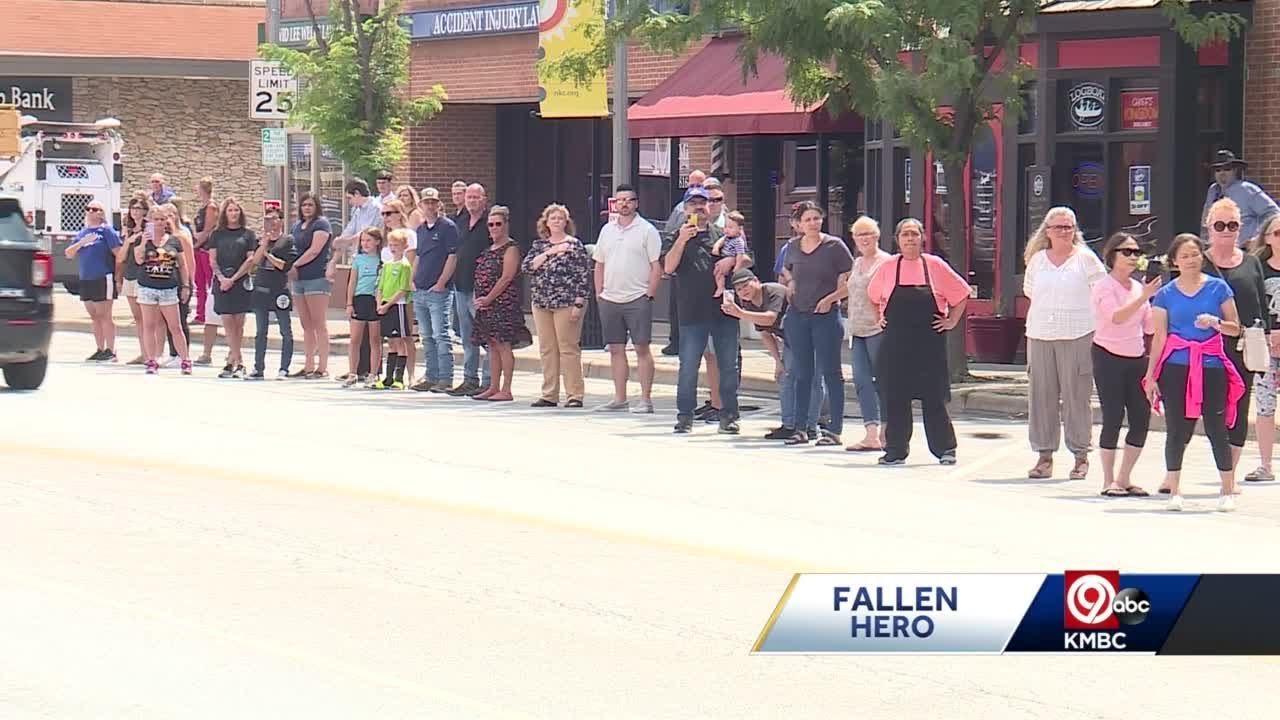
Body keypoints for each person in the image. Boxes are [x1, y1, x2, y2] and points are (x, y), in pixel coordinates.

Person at [1145, 233, 1245, 512]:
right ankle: (1174, 491)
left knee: (1216, 426)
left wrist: (1216, 322)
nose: (1190, 260)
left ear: (1203, 257)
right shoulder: (1164, 294)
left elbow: (1235, 327)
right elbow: (1160, 337)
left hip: (1211, 365)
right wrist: (1151, 375)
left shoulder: (1218, 288)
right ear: (1174, 262)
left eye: (1195, 254)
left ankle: (1227, 490)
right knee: (1177, 428)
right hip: (1176, 367)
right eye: (1184, 256)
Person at [867, 218, 970, 465]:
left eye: (915, 234)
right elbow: (872, 296)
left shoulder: (935, 265)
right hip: (896, 345)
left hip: (929, 345)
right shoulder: (888, 267)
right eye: (905, 235)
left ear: (923, 237)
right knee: (895, 397)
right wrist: (878, 318)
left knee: (934, 397)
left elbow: (962, 294)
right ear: (898, 239)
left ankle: (945, 449)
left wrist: (952, 321)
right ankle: (895, 451)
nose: (910, 239)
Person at [1022, 207, 1106, 480]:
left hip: (1078, 335)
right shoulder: (1037, 260)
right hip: (1041, 334)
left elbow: (1102, 293)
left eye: (1068, 227)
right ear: (1047, 231)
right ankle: (1044, 455)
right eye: (1058, 227)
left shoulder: (1085, 259)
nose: (1063, 232)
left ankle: (1080, 455)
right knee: (1042, 396)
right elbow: (1030, 290)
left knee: (1076, 397)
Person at [662, 186, 741, 435]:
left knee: (728, 366)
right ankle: (685, 416)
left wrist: (733, 260)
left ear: (710, 207)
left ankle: (728, 416)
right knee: (688, 366)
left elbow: (747, 259)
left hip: (724, 311)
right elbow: (667, 267)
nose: (699, 207)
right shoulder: (675, 235)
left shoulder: (724, 234)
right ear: (685, 209)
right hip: (691, 311)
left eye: (703, 203)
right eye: (693, 203)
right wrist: (682, 240)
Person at [1203, 197, 1270, 486]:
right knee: (1209, 408)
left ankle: (1227, 474)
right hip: (1205, 346)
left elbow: (1260, 309)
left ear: (1241, 228)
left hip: (1243, 347)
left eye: (1232, 225)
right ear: (1209, 227)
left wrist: (1266, 338)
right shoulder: (1197, 261)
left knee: (1240, 408)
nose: (1227, 230)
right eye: (1220, 225)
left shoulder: (1252, 262)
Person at [1090, 232, 1159, 497]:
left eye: (1136, 253)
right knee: (1113, 417)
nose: (1132, 257)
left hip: (1136, 358)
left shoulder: (1140, 288)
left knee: (1141, 417)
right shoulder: (1104, 286)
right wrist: (1144, 298)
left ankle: (1124, 477)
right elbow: (1115, 317)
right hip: (1107, 356)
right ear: (1112, 255)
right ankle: (1108, 480)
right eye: (1126, 252)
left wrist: (1159, 305)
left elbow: (1149, 325)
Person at [781, 201, 852, 447]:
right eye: (808, 219)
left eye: (816, 218)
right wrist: (789, 282)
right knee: (802, 373)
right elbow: (786, 269)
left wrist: (831, 299)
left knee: (832, 373)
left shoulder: (835, 246)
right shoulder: (792, 246)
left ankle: (833, 430)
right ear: (798, 224)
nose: (813, 223)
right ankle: (801, 428)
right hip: (798, 315)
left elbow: (848, 281)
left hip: (826, 317)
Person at [593, 184, 662, 413]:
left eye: (629, 200)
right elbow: (599, 263)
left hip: (637, 297)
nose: (624, 204)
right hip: (610, 298)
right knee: (615, 349)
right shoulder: (607, 230)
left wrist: (649, 293)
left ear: (636, 203)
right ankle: (620, 398)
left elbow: (656, 266)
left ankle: (645, 399)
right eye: (620, 200)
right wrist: (599, 293)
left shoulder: (647, 230)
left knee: (642, 348)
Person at [721, 269, 805, 439]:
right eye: (739, 289)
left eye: (746, 285)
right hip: (788, 339)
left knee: (811, 380)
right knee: (786, 378)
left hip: (806, 334)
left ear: (756, 281)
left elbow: (770, 318)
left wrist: (740, 314)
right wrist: (777, 362)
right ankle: (789, 425)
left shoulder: (773, 291)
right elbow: (765, 333)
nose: (744, 291)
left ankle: (817, 421)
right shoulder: (748, 304)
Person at [523, 204, 590, 408]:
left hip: (566, 302)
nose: (557, 222)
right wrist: (551, 252)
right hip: (542, 302)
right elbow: (527, 267)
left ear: (566, 222)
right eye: (553, 218)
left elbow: (583, 275)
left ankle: (574, 394)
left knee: (567, 347)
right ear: (546, 223)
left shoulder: (574, 245)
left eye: (560, 218)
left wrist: (579, 303)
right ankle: (549, 393)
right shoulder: (539, 246)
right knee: (547, 348)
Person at [845, 215, 892, 452]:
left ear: (877, 235)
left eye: (868, 234)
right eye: (859, 234)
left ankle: (887, 430)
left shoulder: (886, 262)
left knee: (882, 381)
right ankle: (870, 433)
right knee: (861, 381)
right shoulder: (857, 263)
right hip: (857, 329)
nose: (864, 239)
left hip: (878, 330)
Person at [409, 187, 459, 393]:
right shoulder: (420, 229)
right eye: (426, 202)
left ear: (439, 204)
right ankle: (431, 376)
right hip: (420, 289)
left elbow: (452, 256)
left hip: (439, 290)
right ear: (420, 205)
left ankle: (445, 378)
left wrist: (441, 282)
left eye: (433, 202)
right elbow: (419, 256)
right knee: (426, 335)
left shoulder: (447, 227)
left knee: (441, 334)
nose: (430, 206)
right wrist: (412, 279)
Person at [470, 206, 523, 402]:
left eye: (498, 224)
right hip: (485, 305)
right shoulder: (487, 249)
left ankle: (506, 389)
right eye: (490, 224)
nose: (493, 228)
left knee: (503, 344)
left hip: (503, 304)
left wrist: (489, 298)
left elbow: (506, 277)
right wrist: (480, 299)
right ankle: (493, 387)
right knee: (491, 345)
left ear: (506, 225)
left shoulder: (511, 248)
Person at [134, 205, 192, 374]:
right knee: (149, 325)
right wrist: (144, 242)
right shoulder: (143, 240)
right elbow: (138, 260)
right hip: (147, 287)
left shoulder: (174, 240)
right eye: (155, 219)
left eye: (162, 219)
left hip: (168, 287)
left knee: (175, 326)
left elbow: (182, 265)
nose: (159, 223)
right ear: (150, 221)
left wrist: (186, 285)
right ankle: (151, 360)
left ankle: (185, 359)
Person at [446, 183, 492, 396]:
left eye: (476, 197)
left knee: (488, 337)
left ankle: (489, 380)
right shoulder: (460, 222)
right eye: (469, 197)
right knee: (467, 337)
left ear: (484, 199)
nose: (472, 200)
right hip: (460, 286)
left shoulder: (491, 222)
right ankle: (469, 379)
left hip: (481, 289)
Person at [65, 199, 123, 361]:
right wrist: (82, 243)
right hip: (86, 277)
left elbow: (118, 254)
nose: (91, 212)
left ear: (102, 213)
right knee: (94, 315)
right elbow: (69, 253)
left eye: (95, 209)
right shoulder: (83, 233)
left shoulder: (107, 232)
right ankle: (100, 348)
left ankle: (111, 350)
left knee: (104, 314)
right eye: (89, 209)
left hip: (103, 276)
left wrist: (118, 276)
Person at [1246, 214, 1280, 482]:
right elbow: (1253, 304)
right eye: (1277, 233)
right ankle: (1266, 465)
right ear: (1267, 237)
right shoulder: (1257, 266)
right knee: (1265, 406)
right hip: (1266, 347)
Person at [208, 197, 258, 379]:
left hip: (240, 282)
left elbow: (251, 259)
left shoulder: (248, 234)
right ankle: (240, 361)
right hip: (222, 282)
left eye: (236, 210)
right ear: (225, 213)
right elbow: (212, 260)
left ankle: (231, 360)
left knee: (239, 323)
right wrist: (222, 278)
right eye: (230, 210)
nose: (233, 214)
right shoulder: (217, 234)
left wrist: (234, 278)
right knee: (227, 321)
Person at [246, 205, 296, 381]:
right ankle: (258, 367)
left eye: (273, 219)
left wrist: (269, 255)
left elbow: (284, 265)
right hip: (261, 289)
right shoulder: (261, 240)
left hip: (278, 290)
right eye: (267, 219)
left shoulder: (287, 240)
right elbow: (255, 261)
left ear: (280, 221)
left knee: (285, 331)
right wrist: (264, 245)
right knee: (261, 331)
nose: (270, 223)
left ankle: (284, 368)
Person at [290, 192, 334, 379]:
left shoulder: (321, 224)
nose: (307, 208)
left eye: (310, 205)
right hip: (299, 279)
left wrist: (295, 264)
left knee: (319, 323)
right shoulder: (297, 226)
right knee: (306, 324)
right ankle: (308, 364)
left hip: (316, 277)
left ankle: (322, 367)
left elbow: (315, 250)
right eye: (304, 205)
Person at [1202, 150, 1278, 247]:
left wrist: (1258, 237)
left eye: (1227, 169)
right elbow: (1206, 221)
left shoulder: (1247, 189)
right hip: (1218, 250)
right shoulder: (1213, 191)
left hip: (1243, 250)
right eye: (1218, 170)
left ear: (1235, 171)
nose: (1222, 174)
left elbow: (1274, 214)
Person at [379, 198, 419, 384]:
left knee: (406, 335)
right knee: (392, 337)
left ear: (399, 213)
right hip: (387, 292)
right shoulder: (387, 238)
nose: (386, 217)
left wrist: (406, 285)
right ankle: (391, 375)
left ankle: (410, 374)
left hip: (402, 294)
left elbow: (410, 263)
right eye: (383, 213)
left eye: (389, 213)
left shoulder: (408, 234)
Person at [374, 229, 414, 390]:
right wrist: (379, 304)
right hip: (384, 305)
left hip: (397, 306)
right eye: (390, 244)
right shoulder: (387, 265)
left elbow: (403, 289)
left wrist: (387, 305)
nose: (393, 248)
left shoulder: (405, 266)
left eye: (396, 245)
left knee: (399, 341)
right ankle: (388, 377)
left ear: (404, 246)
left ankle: (399, 377)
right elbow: (381, 287)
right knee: (390, 341)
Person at [344, 228, 384, 387]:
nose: (365, 244)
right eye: (363, 241)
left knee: (375, 339)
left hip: (374, 299)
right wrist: (349, 303)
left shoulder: (382, 260)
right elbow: (352, 282)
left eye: (369, 240)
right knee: (355, 339)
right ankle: (352, 372)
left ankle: (373, 374)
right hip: (360, 299)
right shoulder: (358, 259)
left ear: (377, 242)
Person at [117, 194, 150, 364]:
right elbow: (120, 257)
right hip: (129, 274)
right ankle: (143, 352)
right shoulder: (129, 231)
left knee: (147, 317)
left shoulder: (148, 230)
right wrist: (128, 241)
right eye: (133, 208)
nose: (136, 212)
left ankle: (151, 353)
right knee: (137, 317)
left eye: (139, 209)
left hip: (143, 275)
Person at [191, 177, 219, 354]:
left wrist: (195, 243)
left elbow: (209, 229)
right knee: (199, 284)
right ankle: (200, 314)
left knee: (209, 284)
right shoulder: (202, 206)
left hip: (206, 248)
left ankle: (211, 315)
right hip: (199, 247)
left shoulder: (211, 207)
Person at [711, 210, 748, 298]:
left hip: (731, 261)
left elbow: (740, 254)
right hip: (723, 258)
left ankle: (721, 287)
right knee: (718, 272)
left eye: (730, 227)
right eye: (725, 226)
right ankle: (720, 287)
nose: (727, 229)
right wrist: (716, 248)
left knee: (720, 273)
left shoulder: (738, 241)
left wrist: (737, 266)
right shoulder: (727, 237)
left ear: (739, 229)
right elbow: (720, 242)